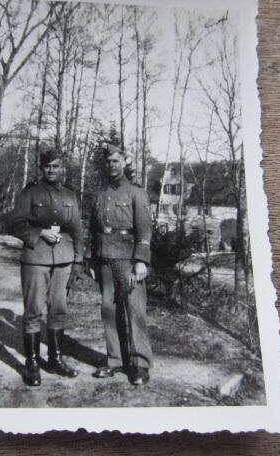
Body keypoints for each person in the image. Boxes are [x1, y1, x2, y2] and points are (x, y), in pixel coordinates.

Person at [10, 149, 84, 386]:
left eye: (56, 166)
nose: (51, 170)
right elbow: (14, 223)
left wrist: (79, 259)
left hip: (64, 258)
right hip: (36, 257)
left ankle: (55, 359)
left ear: (62, 168)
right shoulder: (30, 192)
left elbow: (77, 229)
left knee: (59, 309)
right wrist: (39, 232)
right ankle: (32, 364)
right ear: (41, 169)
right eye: (47, 167)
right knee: (33, 310)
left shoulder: (70, 195)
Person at [86, 144, 153, 386]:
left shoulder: (136, 192)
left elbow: (145, 228)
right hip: (104, 258)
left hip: (128, 258)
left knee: (134, 311)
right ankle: (115, 360)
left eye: (116, 161)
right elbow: (93, 228)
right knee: (108, 310)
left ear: (124, 163)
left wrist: (141, 260)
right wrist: (91, 259)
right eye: (108, 162)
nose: (112, 165)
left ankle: (140, 364)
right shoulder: (100, 193)